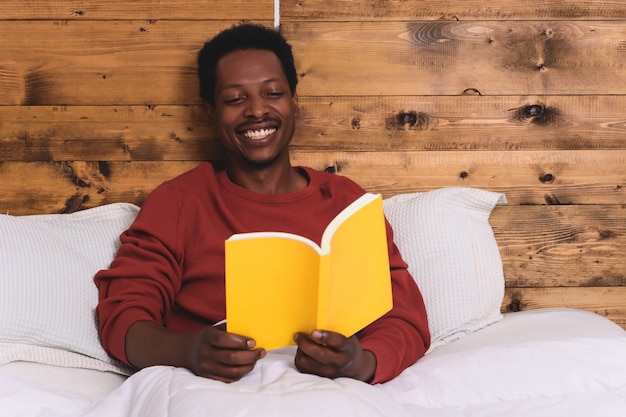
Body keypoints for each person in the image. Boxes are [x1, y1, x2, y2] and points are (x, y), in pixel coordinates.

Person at [95, 23, 430, 385]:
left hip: (328, 391)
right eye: (235, 99)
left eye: (272, 93)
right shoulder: (179, 202)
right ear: (210, 111)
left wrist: (357, 364)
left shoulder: (345, 201)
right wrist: (189, 351)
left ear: (294, 102)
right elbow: (123, 317)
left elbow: (404, 317)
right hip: (206, 388)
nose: (257, 111)